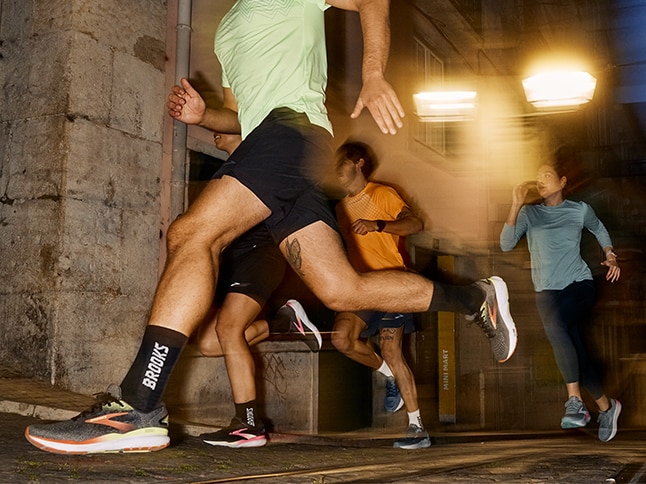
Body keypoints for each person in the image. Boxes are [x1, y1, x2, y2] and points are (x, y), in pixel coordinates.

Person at [25, 0, 517, 454]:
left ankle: (139, 405)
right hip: (278, 144)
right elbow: (242, 118)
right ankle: (477, 299)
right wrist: (203, 116)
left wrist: (373, 75)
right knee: (342, 289)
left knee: (192, 234)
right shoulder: (226, 32)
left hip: (295, 131)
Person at [195, 131, 322, 448]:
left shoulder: (259, 161)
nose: (215, 133)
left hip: (260, 255)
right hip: (236, 259)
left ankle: (247, 424)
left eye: (225, 126)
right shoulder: (235, 165)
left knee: (228, 328)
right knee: (211, 343)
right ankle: (282, 322)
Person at [499, 151, 622, 442]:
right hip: (546, 293)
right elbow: (506, 244)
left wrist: (610, 255)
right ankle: (607, 406)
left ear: (562, 181)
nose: (541, 181)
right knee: (575, 350)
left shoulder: (579, 210)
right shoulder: (530, 213)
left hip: (578, 285)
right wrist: (516, 204)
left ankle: (575, 403)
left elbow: (598, 228)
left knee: (556, 327)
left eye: (547, 175)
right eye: (538, 176)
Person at [331, 141, 429, 449]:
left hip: (391, 283)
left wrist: (379, 224)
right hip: (360, 287)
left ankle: (417, 428)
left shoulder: (382, 194)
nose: (336, 173)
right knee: (341, 339)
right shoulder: (339, 208)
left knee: (391, 349)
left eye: (341, 165)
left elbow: (416, 223)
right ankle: (388, 375)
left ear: (358, 163)